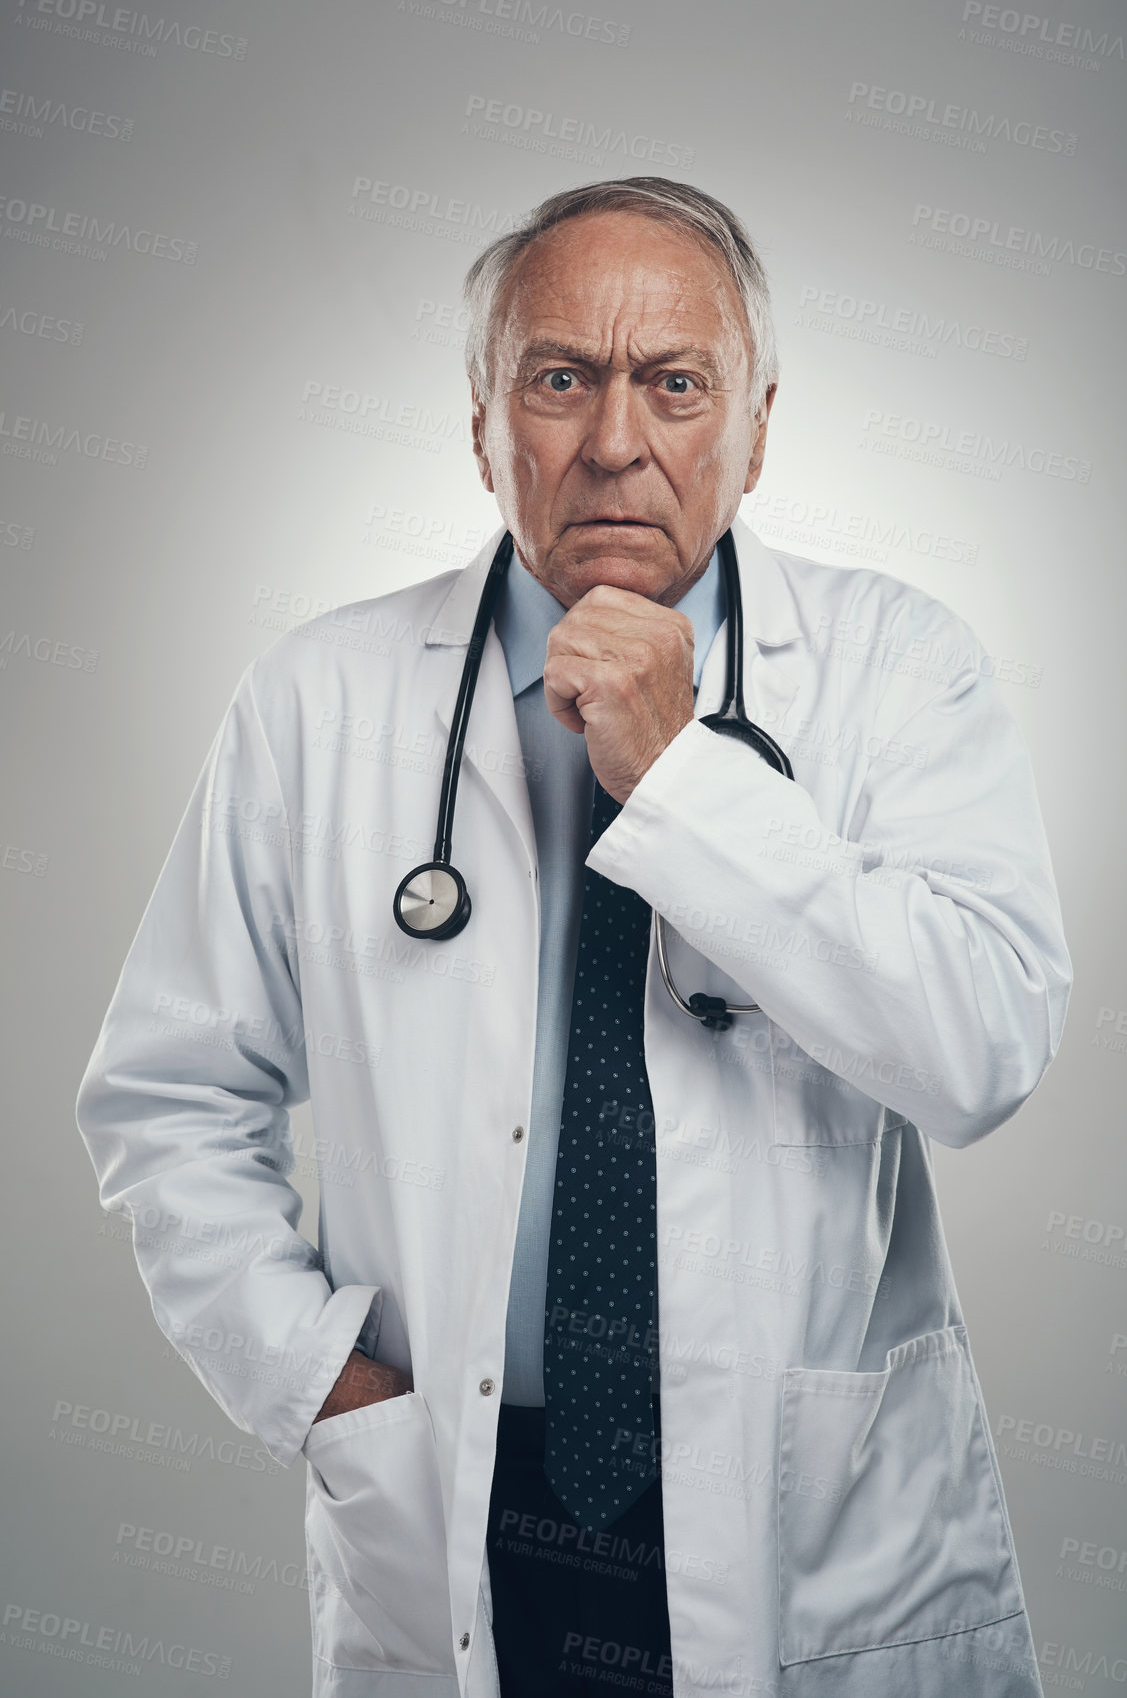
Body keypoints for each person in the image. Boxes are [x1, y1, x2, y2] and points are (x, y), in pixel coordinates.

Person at [76, 178, 1072, 1698]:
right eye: (561, 378)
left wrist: (681, 780)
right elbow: (166, 1100)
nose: (617, 441)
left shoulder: (900, 670)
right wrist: (326, 1386)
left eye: (677, 384)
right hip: (458, 1491)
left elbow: (983, 1049)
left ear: (756, 426)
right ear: (483, 425)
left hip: (811, 1508)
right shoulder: (320, 698)